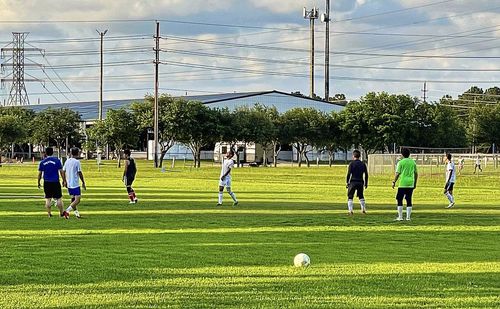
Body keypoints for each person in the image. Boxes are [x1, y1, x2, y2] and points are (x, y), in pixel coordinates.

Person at [37, 147, 66, 218]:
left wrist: (38, 182)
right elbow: (61, 172)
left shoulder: (42, 162)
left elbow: (40, 173)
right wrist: (64, 180)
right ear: (52, 152)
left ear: (45, 153)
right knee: (59, 198)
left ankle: (49, 214)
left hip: (47, 182)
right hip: (55, 181)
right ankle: (61, 213)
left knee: (48, 198)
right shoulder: (57, 161)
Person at [392, 148, 418, 221]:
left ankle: (400, 217)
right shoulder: (413, 162)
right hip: (410, 183)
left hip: (403, 183)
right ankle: (408, 217)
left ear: (402, 154)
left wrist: (394, 181)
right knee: (409, 199)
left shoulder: (401, 162)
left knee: (399, 199)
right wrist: (415, 183)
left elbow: (397, 173)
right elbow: (416, 173)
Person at [62, 147, 86, 218]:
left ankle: (77, 214)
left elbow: (63, 171)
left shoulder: (67, 161)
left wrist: (64, 181)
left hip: (69, 184)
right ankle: (67, 211)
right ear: (77, 153)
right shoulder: (77, 162)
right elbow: (79, 172)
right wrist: (83, 182)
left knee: (73, 199)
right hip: (75, 184)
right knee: (77, 200)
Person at [345, 149, 368, 215]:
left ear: (353, 156)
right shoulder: (363, 164)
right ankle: (363, 210)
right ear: (360, 156)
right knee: (361, 196)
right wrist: (366, 183)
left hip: (353, 182)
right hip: (360, 182)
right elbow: (366, 174)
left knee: (350, 196)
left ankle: (350, 211)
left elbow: (349, 174)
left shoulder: (351, 164)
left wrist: (347, 182)